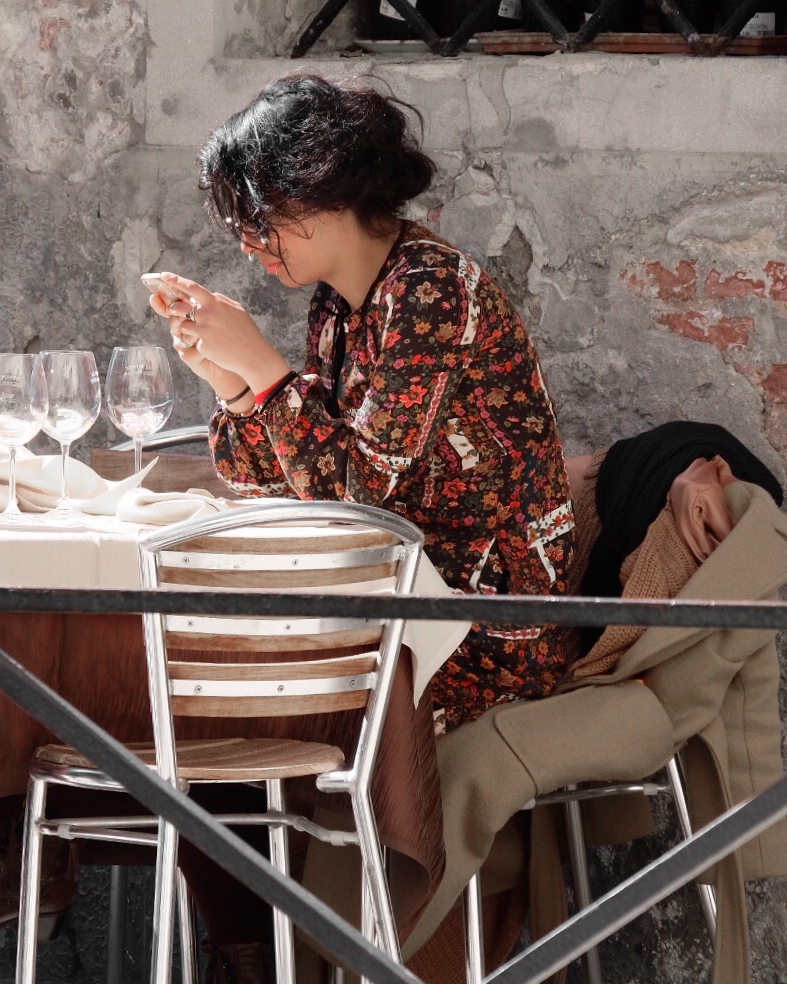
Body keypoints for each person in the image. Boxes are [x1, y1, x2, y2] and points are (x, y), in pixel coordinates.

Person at [153, 74, 581, 725]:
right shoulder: (337, 304)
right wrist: (231, 379)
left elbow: (356, 499)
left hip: (481, 628)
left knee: (215, 669)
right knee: (196, 657)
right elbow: (272, 474)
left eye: (260, 217)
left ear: (318, 189)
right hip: (392, 595)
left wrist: (265, 373)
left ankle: (241, 823)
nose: (248, 243)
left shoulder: (431, 293)